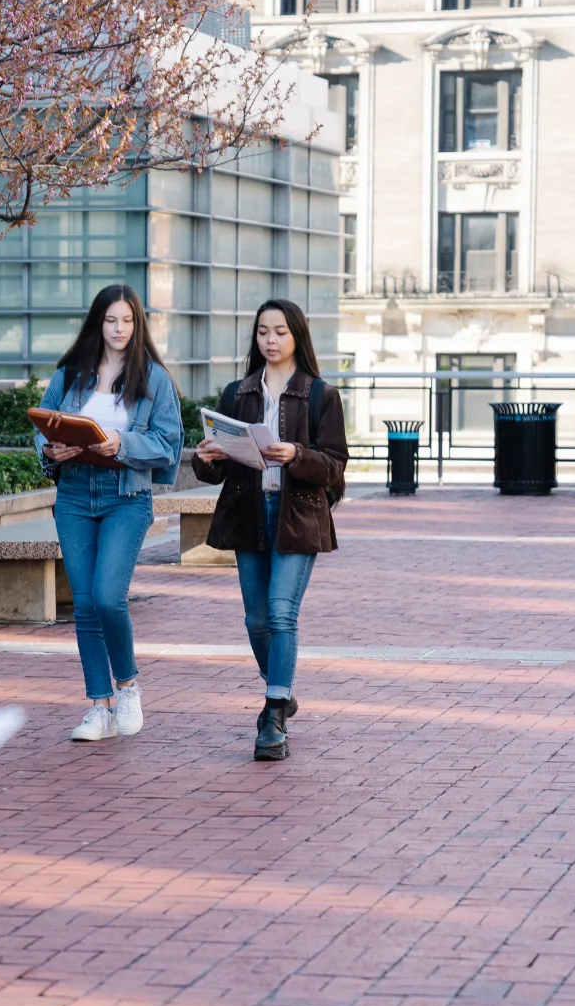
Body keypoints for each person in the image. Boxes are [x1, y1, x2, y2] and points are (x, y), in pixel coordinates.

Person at [193, 299, 348, 761]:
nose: (271, 340)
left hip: (296, 514)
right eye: (263, 332)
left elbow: (336, 466)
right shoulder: (238, 393)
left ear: (296, 335)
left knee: (282, 613)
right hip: (248, 514)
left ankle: (274, 712)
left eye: (280, 331)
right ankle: (281, 689)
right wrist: (207, 458)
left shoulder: (320, 394)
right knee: (256, 620)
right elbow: (214, 475)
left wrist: (295, 455)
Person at [32, 283, 183, 742]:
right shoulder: (70, 374)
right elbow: (43, 425)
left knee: (107, 597)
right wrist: (50, 449)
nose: (119, 329)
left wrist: (123, 442)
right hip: (75, 494)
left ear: (138, 325)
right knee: (84, 605)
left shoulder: (153, 379)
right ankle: (98, 707)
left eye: (128, 320)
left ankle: (129, 686)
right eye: (111, 320)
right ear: (98, 323)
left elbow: (168, 445)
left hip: (126, 496)